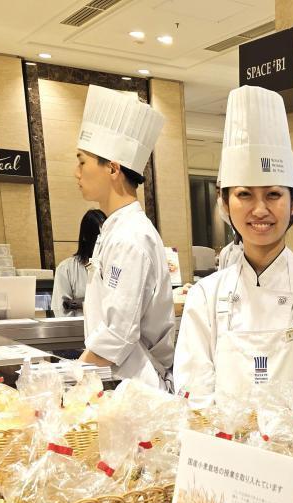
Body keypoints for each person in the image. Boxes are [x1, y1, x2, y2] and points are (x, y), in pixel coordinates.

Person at [173, 86, 293, 407]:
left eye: (273, 194)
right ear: (224, 203)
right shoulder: (205, 296)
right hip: (222, 453)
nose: (259, 210)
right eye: (244, 195)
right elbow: (193, 394)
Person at [74, 85, 175, 388]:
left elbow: (119, 333)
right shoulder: (115, 228)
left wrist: (72, 379)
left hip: (137, 387)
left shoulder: (130, 237)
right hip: (121, 381)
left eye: (82, 162)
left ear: (113, 169)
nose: (76, 172)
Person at [52, 209, 105, 317]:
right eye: (98, 238)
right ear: (85, 237)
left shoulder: (114, 264)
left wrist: (81, 303)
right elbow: (61, 310)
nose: (102, 243)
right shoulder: (66, 268)